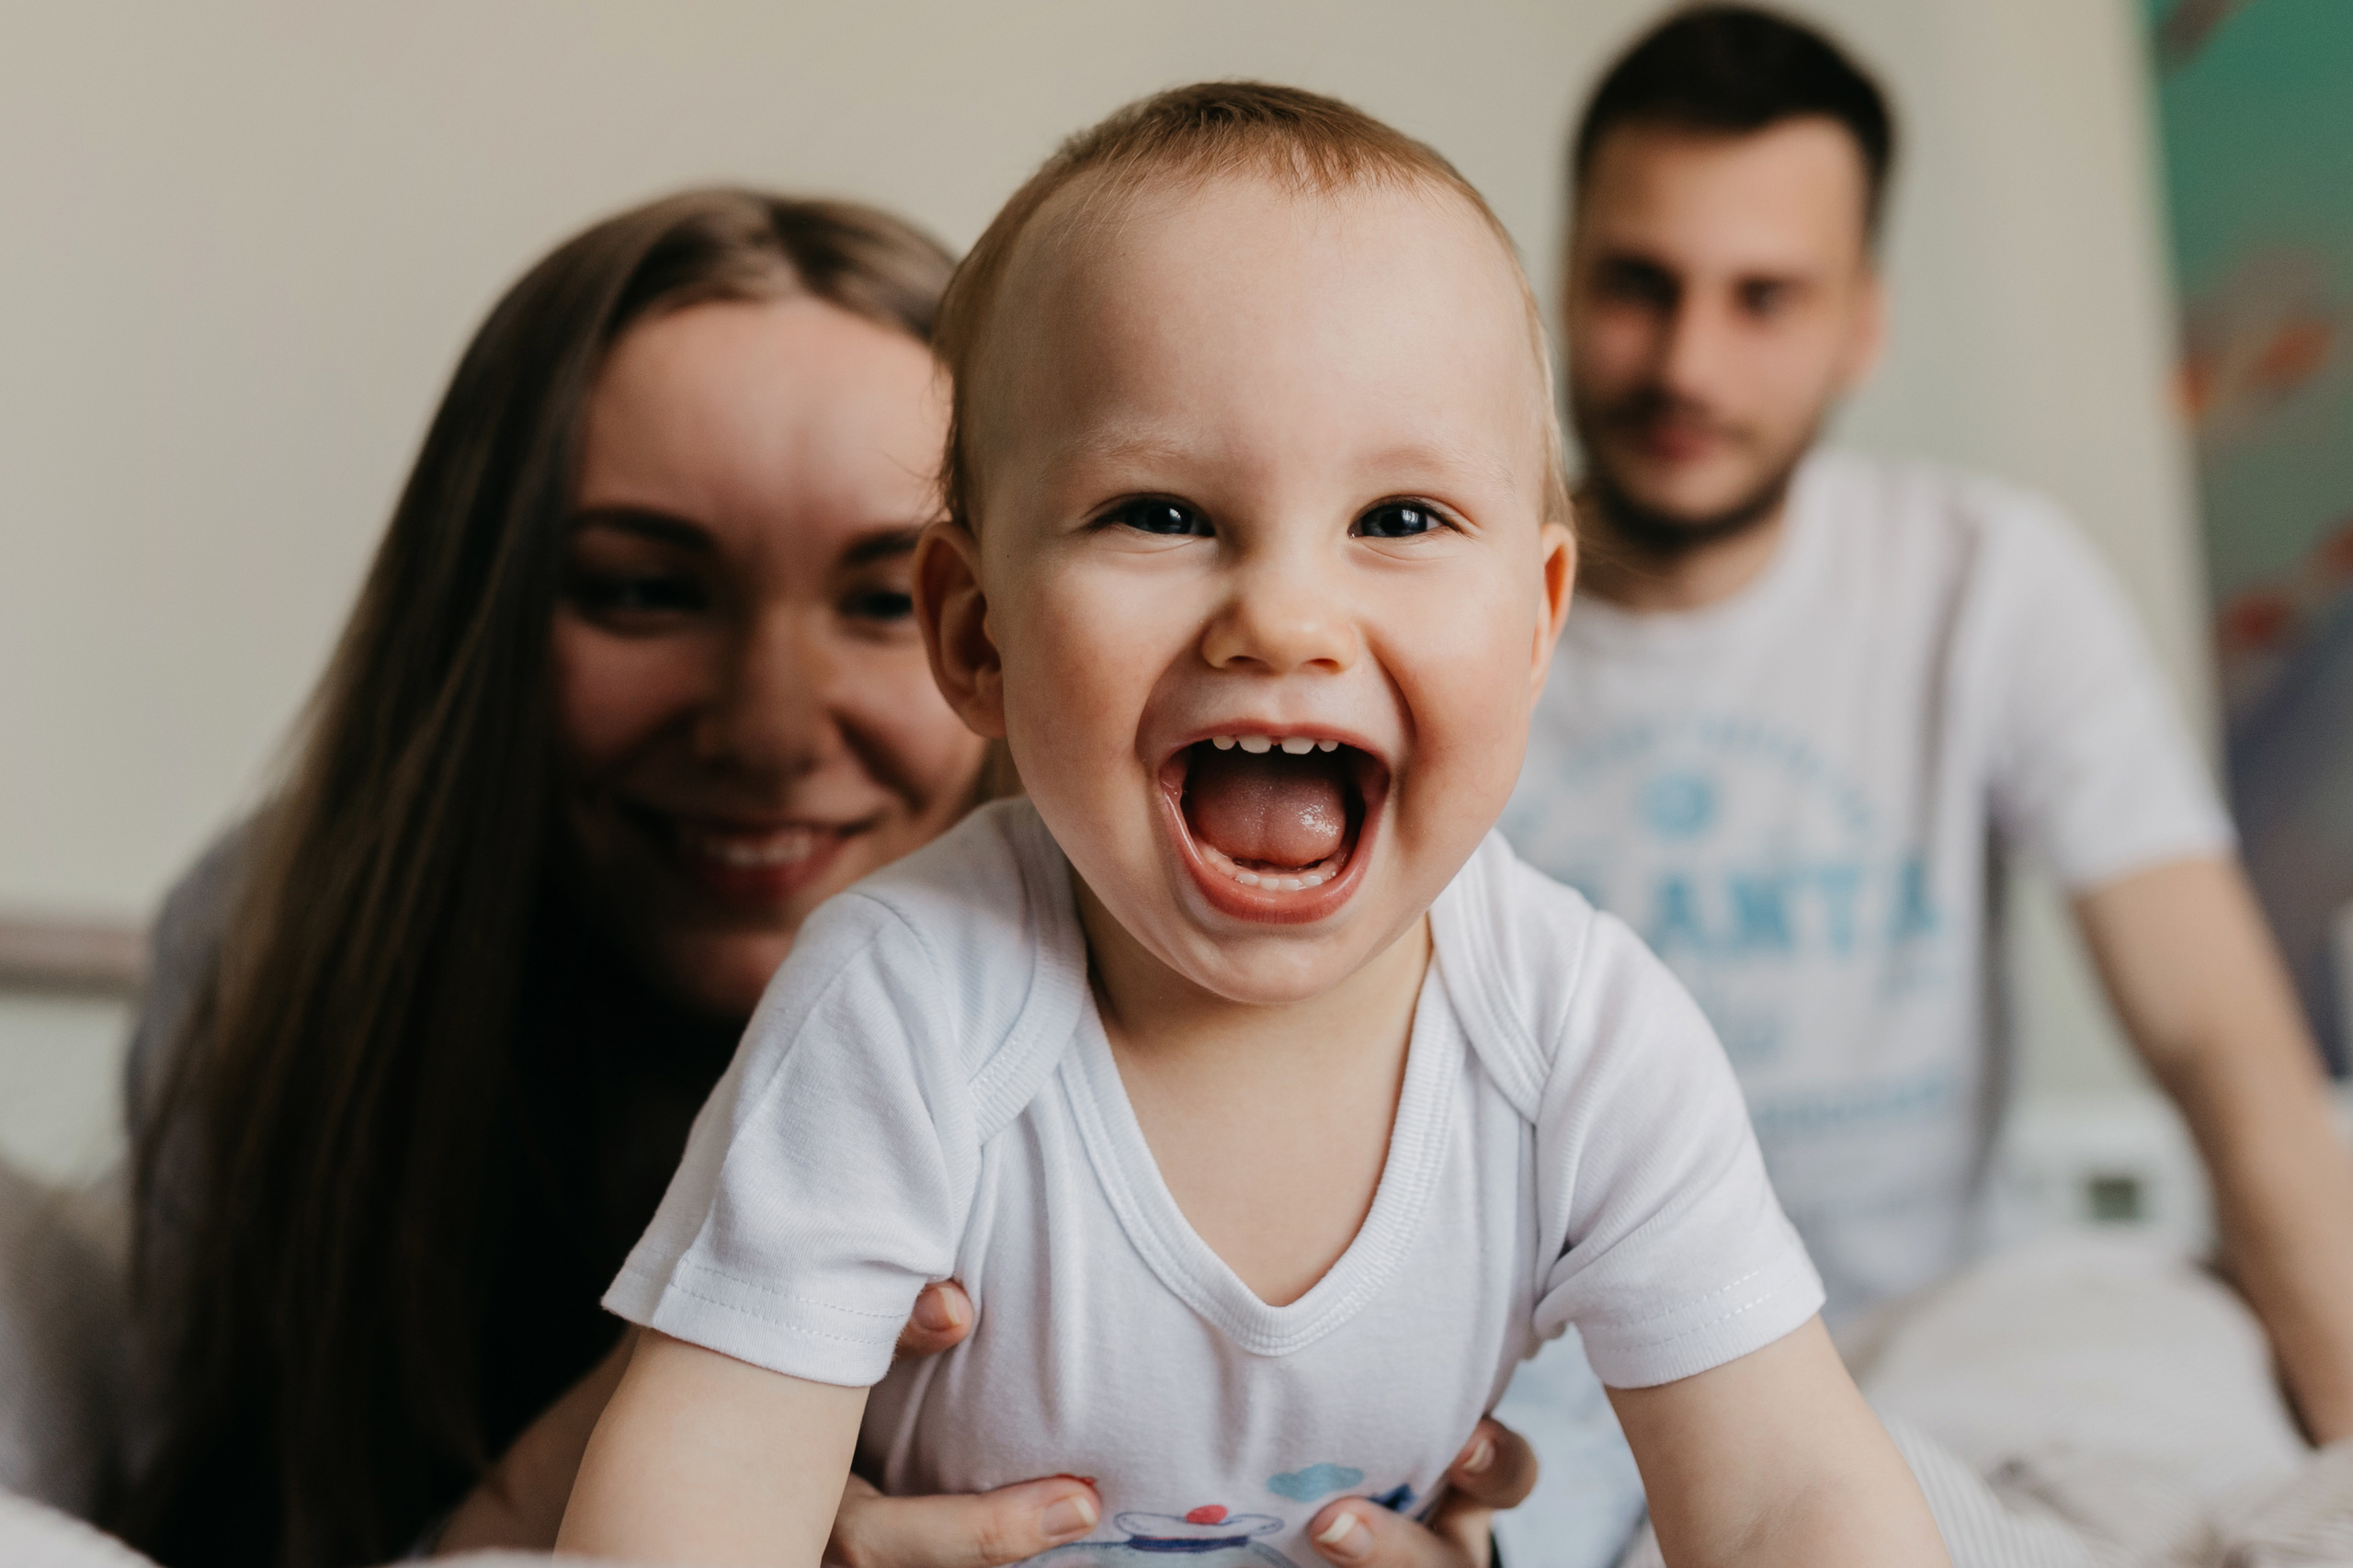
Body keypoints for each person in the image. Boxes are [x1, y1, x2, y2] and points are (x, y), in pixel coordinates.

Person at [555, 84, 1950, 1568]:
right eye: (1161, 513)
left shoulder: (1588, 1037)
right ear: (975, 632)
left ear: (1539, 622)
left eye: (1400, 518)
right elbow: (695, 1497)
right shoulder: (899, 1005)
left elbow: (1792, 1493)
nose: (1284, 617)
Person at [112, 185, 1533, 1568]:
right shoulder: (269, 954)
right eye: (646, 591)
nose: (774, 728)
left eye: (871, 602)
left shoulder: (1448, 995)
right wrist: (695, 1425)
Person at [1495, 7, 2353, 1550]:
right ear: (1559, 282)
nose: (1690, 361)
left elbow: (2223, 1042)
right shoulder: (1439, 603)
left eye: (1765, 298)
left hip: (1958, 1356)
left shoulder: (1987, 579)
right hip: (1567, 1392)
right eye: (1639, 285)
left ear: (1861, 324)